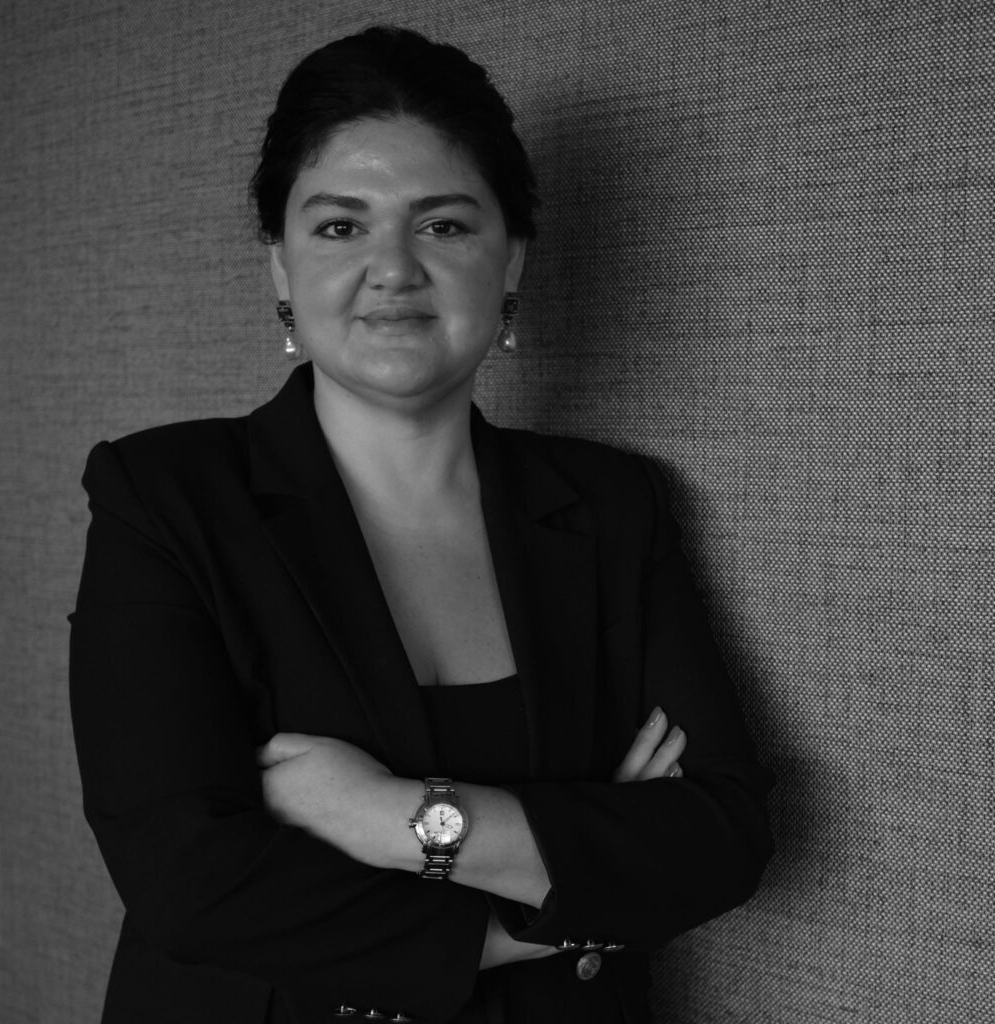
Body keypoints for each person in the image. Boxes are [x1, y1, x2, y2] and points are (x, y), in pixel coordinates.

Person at [69, 25, 774, 1024]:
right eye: (339, 227)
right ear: (280, 269)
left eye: (442, 225)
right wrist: (555, 907)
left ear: (510, 259)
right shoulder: (165, 496)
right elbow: (188, 881)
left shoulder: (614, 505)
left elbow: (720, 836)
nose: (393, 268)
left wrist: (394, 818)